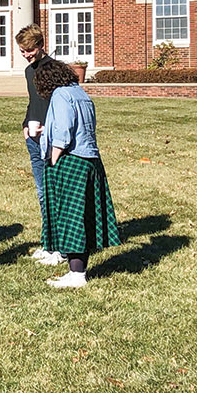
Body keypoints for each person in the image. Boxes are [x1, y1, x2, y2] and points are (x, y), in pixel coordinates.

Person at [35, 60, 121, 288]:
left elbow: (64, 131)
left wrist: (53, 159)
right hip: (91, 160)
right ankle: (76, 271)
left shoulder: (61, 95)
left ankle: (77, 275)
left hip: (71, 160)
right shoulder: (80, 93)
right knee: (84, 216)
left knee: (72, 217)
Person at [16, 24, 64, 266]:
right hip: (33, 140)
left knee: (55, 193)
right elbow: (33, 102)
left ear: (41, 45)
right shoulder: (28, 72)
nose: (26, 55)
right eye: (23, 51)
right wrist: (26, 125)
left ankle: (62, 248)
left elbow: (63, 105)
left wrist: (51, 129)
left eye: (29, 50)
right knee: (43, 194)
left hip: (52, 139)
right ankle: (49, 244)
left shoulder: (55, 70)